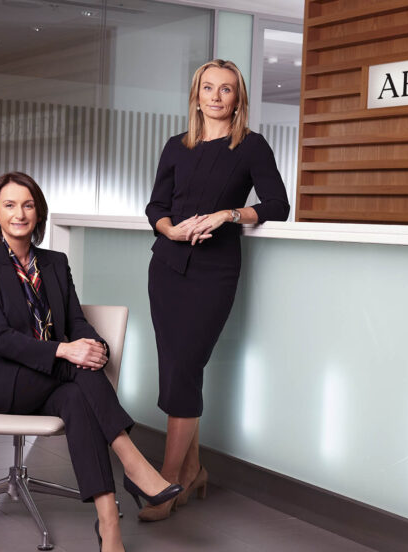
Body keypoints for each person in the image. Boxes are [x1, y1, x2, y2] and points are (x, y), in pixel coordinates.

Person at [0, 171, 182, 552]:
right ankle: (133, 463)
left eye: (27, 204)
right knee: (75, 371)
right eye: (9, 205)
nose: (19, 213)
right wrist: (66, 351)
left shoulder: (55, 263)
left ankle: (108, 521)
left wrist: (95, 348)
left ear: (38, 211)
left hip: (47, 382)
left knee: (78, 392)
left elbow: (76, 321)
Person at [143, 59, 290, 522]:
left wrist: (228, 215)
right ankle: (192, 471)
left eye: (226, 89)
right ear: (196, 94)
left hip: (214, 272)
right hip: (167, 268)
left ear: (238, 98)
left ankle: (165, 483)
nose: (216, 96)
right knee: (176, 368)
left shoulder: (250, 146)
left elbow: (279, 206)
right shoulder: (175, 146)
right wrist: (171, 232)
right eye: (208, 87)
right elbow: (156, 206)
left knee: (186, 366)